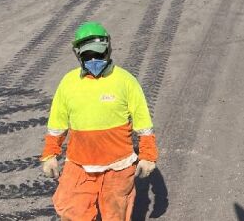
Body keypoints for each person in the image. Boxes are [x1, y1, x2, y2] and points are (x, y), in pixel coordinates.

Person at [40, 22, 158, 220]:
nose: (93, 60)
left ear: (108, 49)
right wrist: (50, 154)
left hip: (117, 167)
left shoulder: (125, 81)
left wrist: (148, 156)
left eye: (98, 54)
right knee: (71, 212)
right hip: (79, 165)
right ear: (78, 55)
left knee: (115, 214)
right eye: (88, 56)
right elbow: (56, 125)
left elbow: (143, 124)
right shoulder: (69, 83)